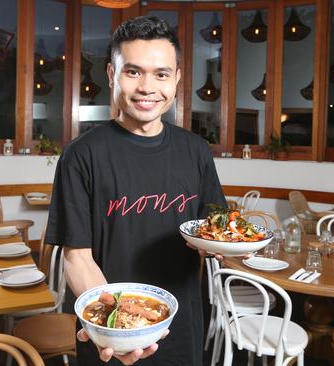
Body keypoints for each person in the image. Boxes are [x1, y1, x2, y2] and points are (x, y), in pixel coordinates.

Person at [45, 15, 226, 366]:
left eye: (161, 74)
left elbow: (212, 228)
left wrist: (229, 245)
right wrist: (112, 327)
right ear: (112, 75)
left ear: (175, 79)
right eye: (133, 72)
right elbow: (77, 257)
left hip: (182, 326)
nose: (147, 87)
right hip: (111, 334)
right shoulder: (81, 155)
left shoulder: (196, 150)